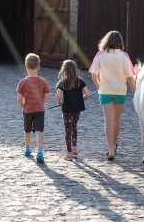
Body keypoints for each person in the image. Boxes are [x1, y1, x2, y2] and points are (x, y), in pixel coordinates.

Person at [89, 30, 136, 160]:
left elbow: (93, 73)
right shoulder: (124, 56)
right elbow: (130, 76)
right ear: (120, 41)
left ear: (106, 41)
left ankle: (110, 149)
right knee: (116, 119)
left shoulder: (100, 55)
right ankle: (114, 145)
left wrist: (99, 86)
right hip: (120, 91)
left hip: (105, 91)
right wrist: (135, 91)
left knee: (108, 119)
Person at [17, 53, 50, 163]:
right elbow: (46, 97)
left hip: (27, 111)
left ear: (26, 68)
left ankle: (27, 149)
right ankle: (40, 151)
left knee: (27, 130)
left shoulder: (22, 82)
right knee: (39, 131)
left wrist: (23, 107)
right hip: (40, 110)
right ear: (38, 67)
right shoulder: (43, 82)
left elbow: (19, 99)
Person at [55, 60, 90, 161]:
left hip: (66, 109)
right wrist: (80, 99)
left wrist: (60, 103)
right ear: (75, 70)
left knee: (67, 129)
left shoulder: (63, 82)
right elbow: (87, 94)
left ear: (64, 70)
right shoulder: (80, 81)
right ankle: (74, 147)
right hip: (77, 108)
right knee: (74, 126)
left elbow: (57, 96)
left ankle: (69, 152)